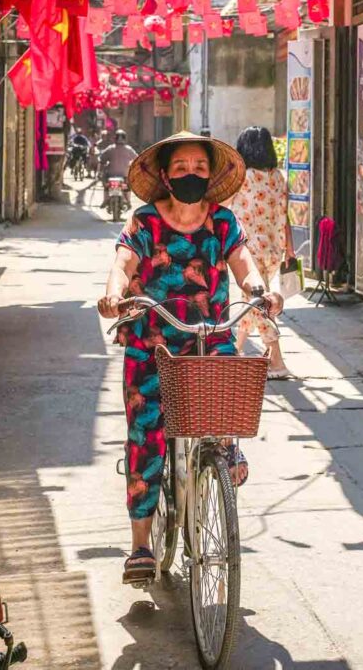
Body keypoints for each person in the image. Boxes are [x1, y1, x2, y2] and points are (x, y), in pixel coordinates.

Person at [97, 131, 284, 584]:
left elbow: (243, 262)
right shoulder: (144, 222)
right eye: (180, 167)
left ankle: (222, 457)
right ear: (165, 174)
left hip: (208, 337)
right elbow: (122, 264)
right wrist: (113, 296)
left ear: (210, 174)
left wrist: (259, 291)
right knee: (147, 439)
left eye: (199, 167)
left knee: (222, 420)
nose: (190, 174)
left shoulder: (222, 222)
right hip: (152, 343)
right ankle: (141, 545)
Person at [229, 126, 295, 380]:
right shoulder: (278, 177)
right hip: (272, 250)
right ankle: (235, 350)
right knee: (251, 301)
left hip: (247, 251)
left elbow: (222, 208)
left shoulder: (242, 177)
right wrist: (289, 248)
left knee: (258, 302)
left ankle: (276, 361)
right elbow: (284, 216)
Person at [100, 129, 137, 209]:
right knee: (127, 187)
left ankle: (105, 200)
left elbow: (102, 159)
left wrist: (103, 165)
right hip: (124, 176)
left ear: (115, 138)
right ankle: (128, 201)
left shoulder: (110, 148)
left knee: (106, 186)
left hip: (111, 175)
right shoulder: (129, 149)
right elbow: (137, 159)